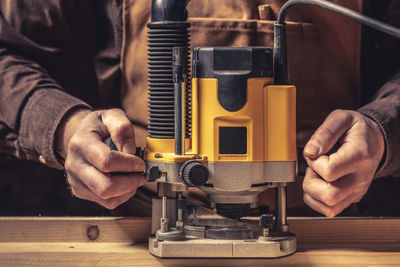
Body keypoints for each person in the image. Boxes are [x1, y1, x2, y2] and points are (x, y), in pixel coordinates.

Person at [0, 0, 399, 217]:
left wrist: (382, 131)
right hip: (141, 216)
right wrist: (68, 128)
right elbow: (7, 53)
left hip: (325, 217)